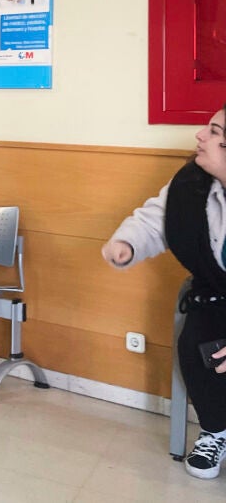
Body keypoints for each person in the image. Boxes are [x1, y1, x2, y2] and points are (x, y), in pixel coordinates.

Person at [102, 105, 226, 480]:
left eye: (215, 132)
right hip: (216, 293)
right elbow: (157, 219)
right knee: (198, 347)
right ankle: (216, 430)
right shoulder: (191, 182)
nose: (200, 135)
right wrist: (127, 244)